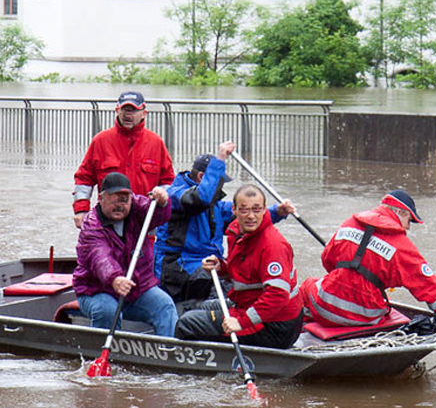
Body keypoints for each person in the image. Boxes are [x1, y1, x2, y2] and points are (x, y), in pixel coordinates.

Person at [155, 141, 294, 310]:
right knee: (218, 286)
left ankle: (249, 312)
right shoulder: (175, 195)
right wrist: (220, 159)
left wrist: (278, 211)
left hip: (208, 264)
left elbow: (246, 215)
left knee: (236, 279)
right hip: (178, 269)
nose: (220, 186)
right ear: (202, 178)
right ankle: (205, 312)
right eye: (218, 181)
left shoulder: (216, 207)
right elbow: (200, 199)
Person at [300, 189, 436, 329]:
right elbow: (429, 287)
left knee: (308, 285)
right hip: (367, 314)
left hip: (323, 305)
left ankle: (298, 325)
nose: (408, 227)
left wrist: (346, 274)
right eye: (409, 220)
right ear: (399, 212)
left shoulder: (349, 224)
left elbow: (327, 259)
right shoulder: (401, 246)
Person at [174, 184, 302, 349]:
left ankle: (189, 361)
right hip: (247, 306)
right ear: (234, 210)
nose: (251, 216)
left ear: (265, 210)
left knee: (188, 323)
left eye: (256, 210)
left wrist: (241, 322)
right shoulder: (237, 232)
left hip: (275, 325)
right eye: (244, 210)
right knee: (192, 307)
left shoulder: (273, 246)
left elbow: (277, 295)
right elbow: (244, 274)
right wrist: (221, 268)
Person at [74, 172, 178, 337]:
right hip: (97, 290)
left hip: (136, 288)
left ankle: (167, 350)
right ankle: (102, 348)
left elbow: (159, 215)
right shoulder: (92, 225)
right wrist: (115, 278)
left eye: (124, 200)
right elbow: (100, 258)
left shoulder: (138, 208)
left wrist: (162, 202)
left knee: (165, 306)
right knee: (107, 311)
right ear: (101, 199)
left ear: (131, 198)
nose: (120, 205)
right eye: (114, 200)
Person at [71, 91, 175, 228]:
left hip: (144, 224)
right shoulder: (100, 141)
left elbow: (168, 182)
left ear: (144, 113)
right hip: (108, 223)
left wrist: (162, 200)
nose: (128, 115)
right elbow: (84, 179)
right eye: (124, 110)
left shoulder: (156, 143)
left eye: (133, 110)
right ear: (117, 110)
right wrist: (81, 210)